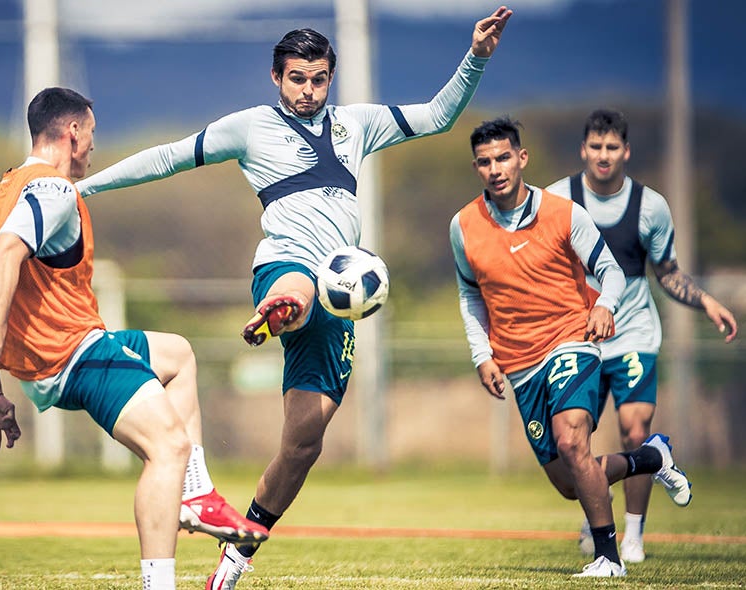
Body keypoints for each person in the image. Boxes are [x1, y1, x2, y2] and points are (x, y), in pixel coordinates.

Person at [73, 8, 512, 589]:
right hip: (286, 268)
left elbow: (437, 115)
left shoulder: (357, 123)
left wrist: (476, 55)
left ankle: (239, 553)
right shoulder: (251, 127)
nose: (309, 89)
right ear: (276, 78)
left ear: (331, 77)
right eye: (298, 78)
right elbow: (168, 156)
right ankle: (278, 312)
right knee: (300, 284)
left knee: (302, 444)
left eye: (320, 78)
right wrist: (83, 187)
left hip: (340, 300)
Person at [0, 87, 269, 590]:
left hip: (50, 358)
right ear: (72, 132)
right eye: (91, 134)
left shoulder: (3, 191)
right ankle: (160, 578)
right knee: (168, 445)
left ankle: (195, 493)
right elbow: (3, 257)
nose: (93, 147)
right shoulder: (53, 190)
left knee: (178, 354)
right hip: (71, 353)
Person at [449, 117, 694, 578]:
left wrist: (604, 306)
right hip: (519, 366)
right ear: (476, 167)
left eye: (503, 157)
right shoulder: (462, 226)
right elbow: (469, 296)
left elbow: (614, 271)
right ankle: (652, 457)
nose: (495, 168)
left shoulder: (563, 213)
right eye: (484, 162)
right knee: (569, 481)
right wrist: (482, 354)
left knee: (571, 440)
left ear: (522, 159)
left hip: (570, 342)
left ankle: (609, 557)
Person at [545, 108, 738, 563]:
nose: (604, 155)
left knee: (634, 430)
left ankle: (632, 535)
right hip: (579, 337)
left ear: (626, 151)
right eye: (596, 147)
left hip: (633, 333)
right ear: (583, 150)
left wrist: (706, 301)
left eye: (612, 147)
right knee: (573, 445)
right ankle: (598, 515)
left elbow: (667, 272)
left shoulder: (650, 206)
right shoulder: (559, 201)